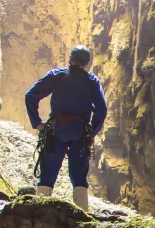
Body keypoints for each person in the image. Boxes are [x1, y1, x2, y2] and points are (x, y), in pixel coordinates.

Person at [24, 45, 107, 210]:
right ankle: (82, 215)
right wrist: (92, 131)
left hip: (57, 128)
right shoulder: (92, 80)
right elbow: (101, 109)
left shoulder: (57, 75)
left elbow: (31, 95)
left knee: (48, 172)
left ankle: (39, 211)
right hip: (80, 131)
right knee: (79, 175)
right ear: (87, 62)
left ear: (70, 59)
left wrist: (38, 123)